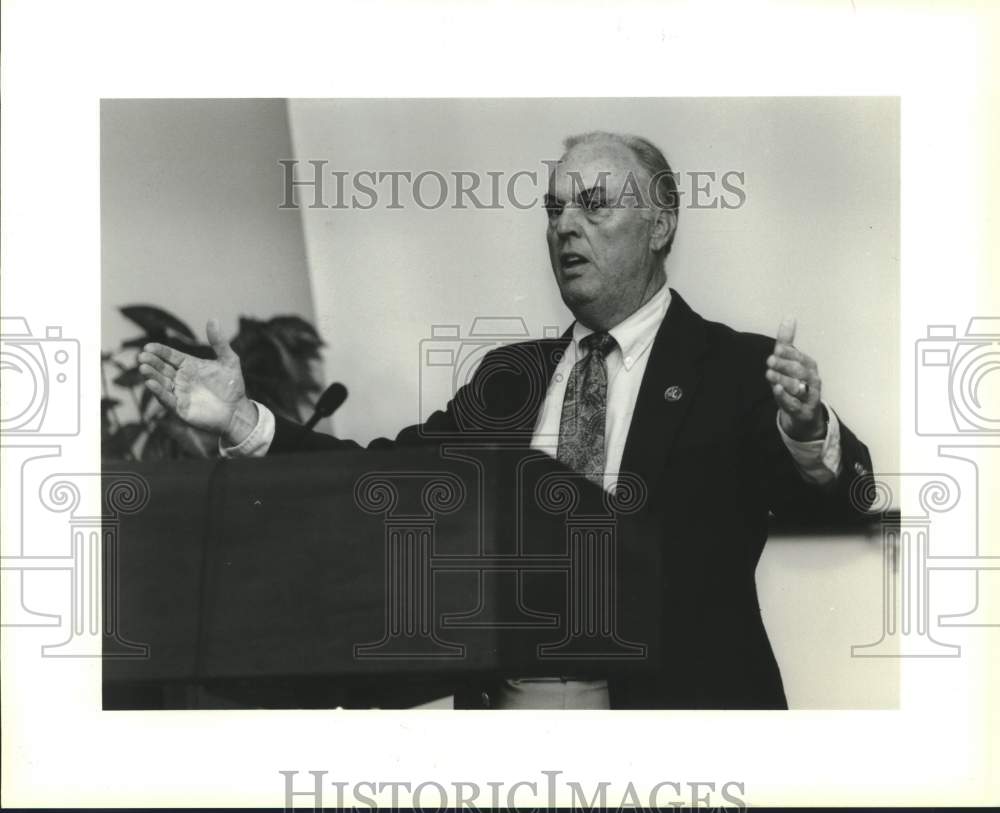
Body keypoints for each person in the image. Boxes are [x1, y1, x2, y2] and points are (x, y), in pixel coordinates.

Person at [138, 131, 874, 709]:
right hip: (507, 717)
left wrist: (809, 434)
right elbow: (385, 474)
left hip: (675, 718)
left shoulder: (733, 366)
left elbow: (840, 492)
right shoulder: (508, 378)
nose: (565, 227)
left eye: (594, 204)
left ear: (660, 224)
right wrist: (243, 421)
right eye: (554, 209)